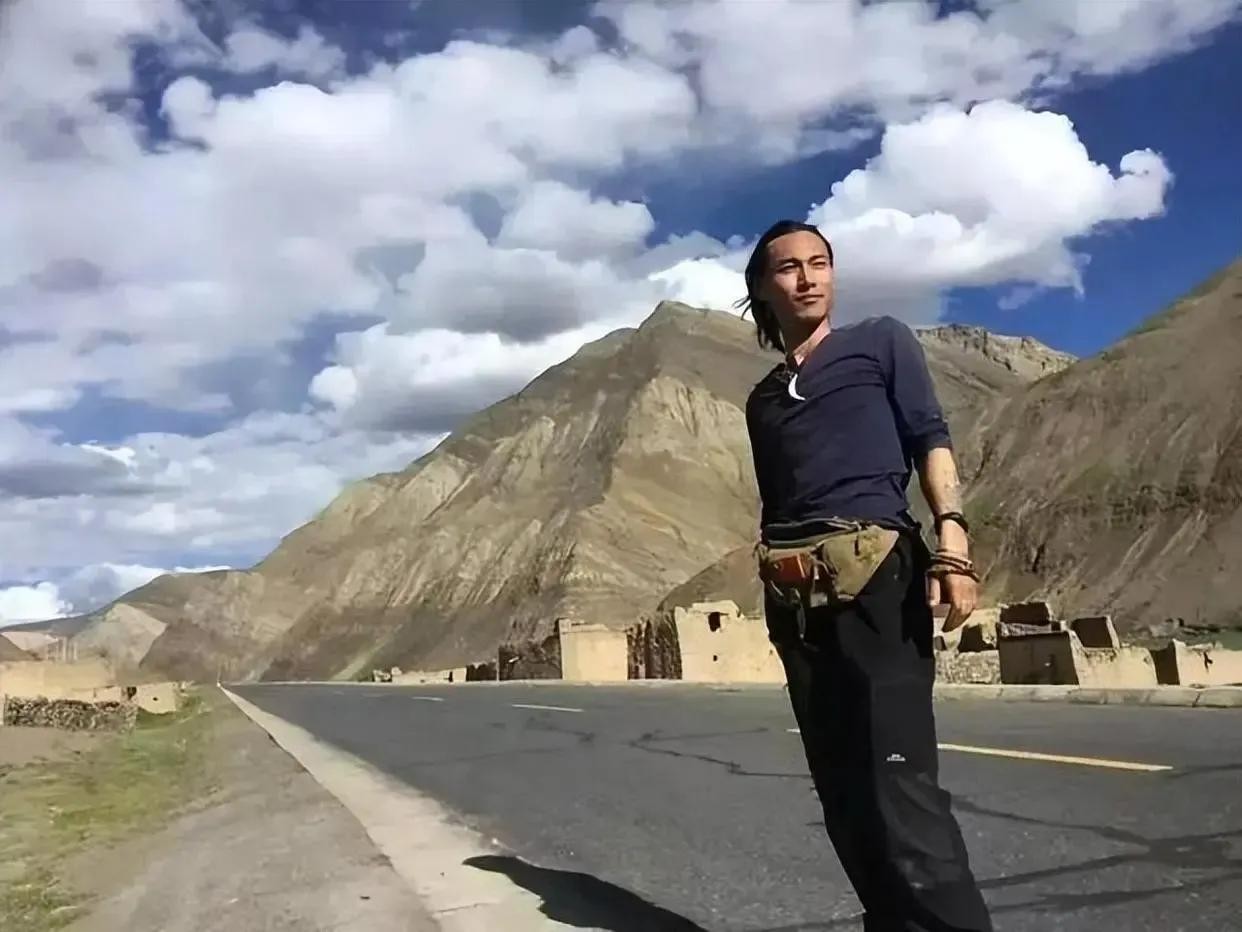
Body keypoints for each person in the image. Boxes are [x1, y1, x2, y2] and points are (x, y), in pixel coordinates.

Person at [740, 219, 994, 932]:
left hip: (878, 575)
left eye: (819, 262)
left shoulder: (880, 341)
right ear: (763, 288)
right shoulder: (763, 399)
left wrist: (951, 542)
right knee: (842, 790)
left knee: (899, 781)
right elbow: (777, 505)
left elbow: (929, 438)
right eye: (788, 267)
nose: (808, 278)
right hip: (796, 598)